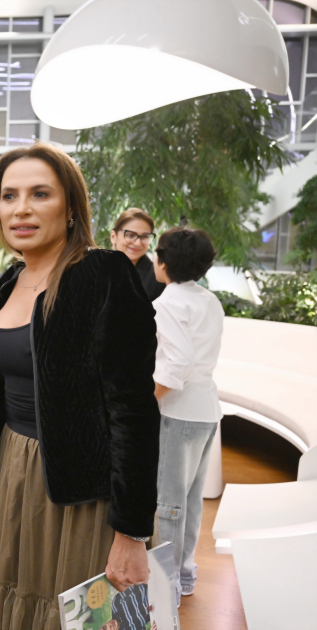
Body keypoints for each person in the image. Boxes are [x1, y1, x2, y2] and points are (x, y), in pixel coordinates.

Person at [0, 143, 160, 630]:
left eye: (40, 194)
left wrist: (132, 532)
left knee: (81, 616)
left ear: (71, 207)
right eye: (9, 196)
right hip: (17, 473)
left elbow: (135, 411)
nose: (21, 209)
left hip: (83, 496)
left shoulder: (102, 273)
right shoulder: (9, 281)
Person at [152, 227, 224, 605]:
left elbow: (176, 364)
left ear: (164, 263)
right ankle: (184, 574)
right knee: (191, 500)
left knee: (168, 504)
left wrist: (148, 402)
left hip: (178, 413)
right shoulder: (208, 299)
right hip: (207, 409)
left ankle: (165, 590)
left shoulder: (168, 302)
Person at [110, 208, 165, 301]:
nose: (138, 243)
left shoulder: (158, 279)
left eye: (145, 236)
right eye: (130, 235)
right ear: (113, 237)